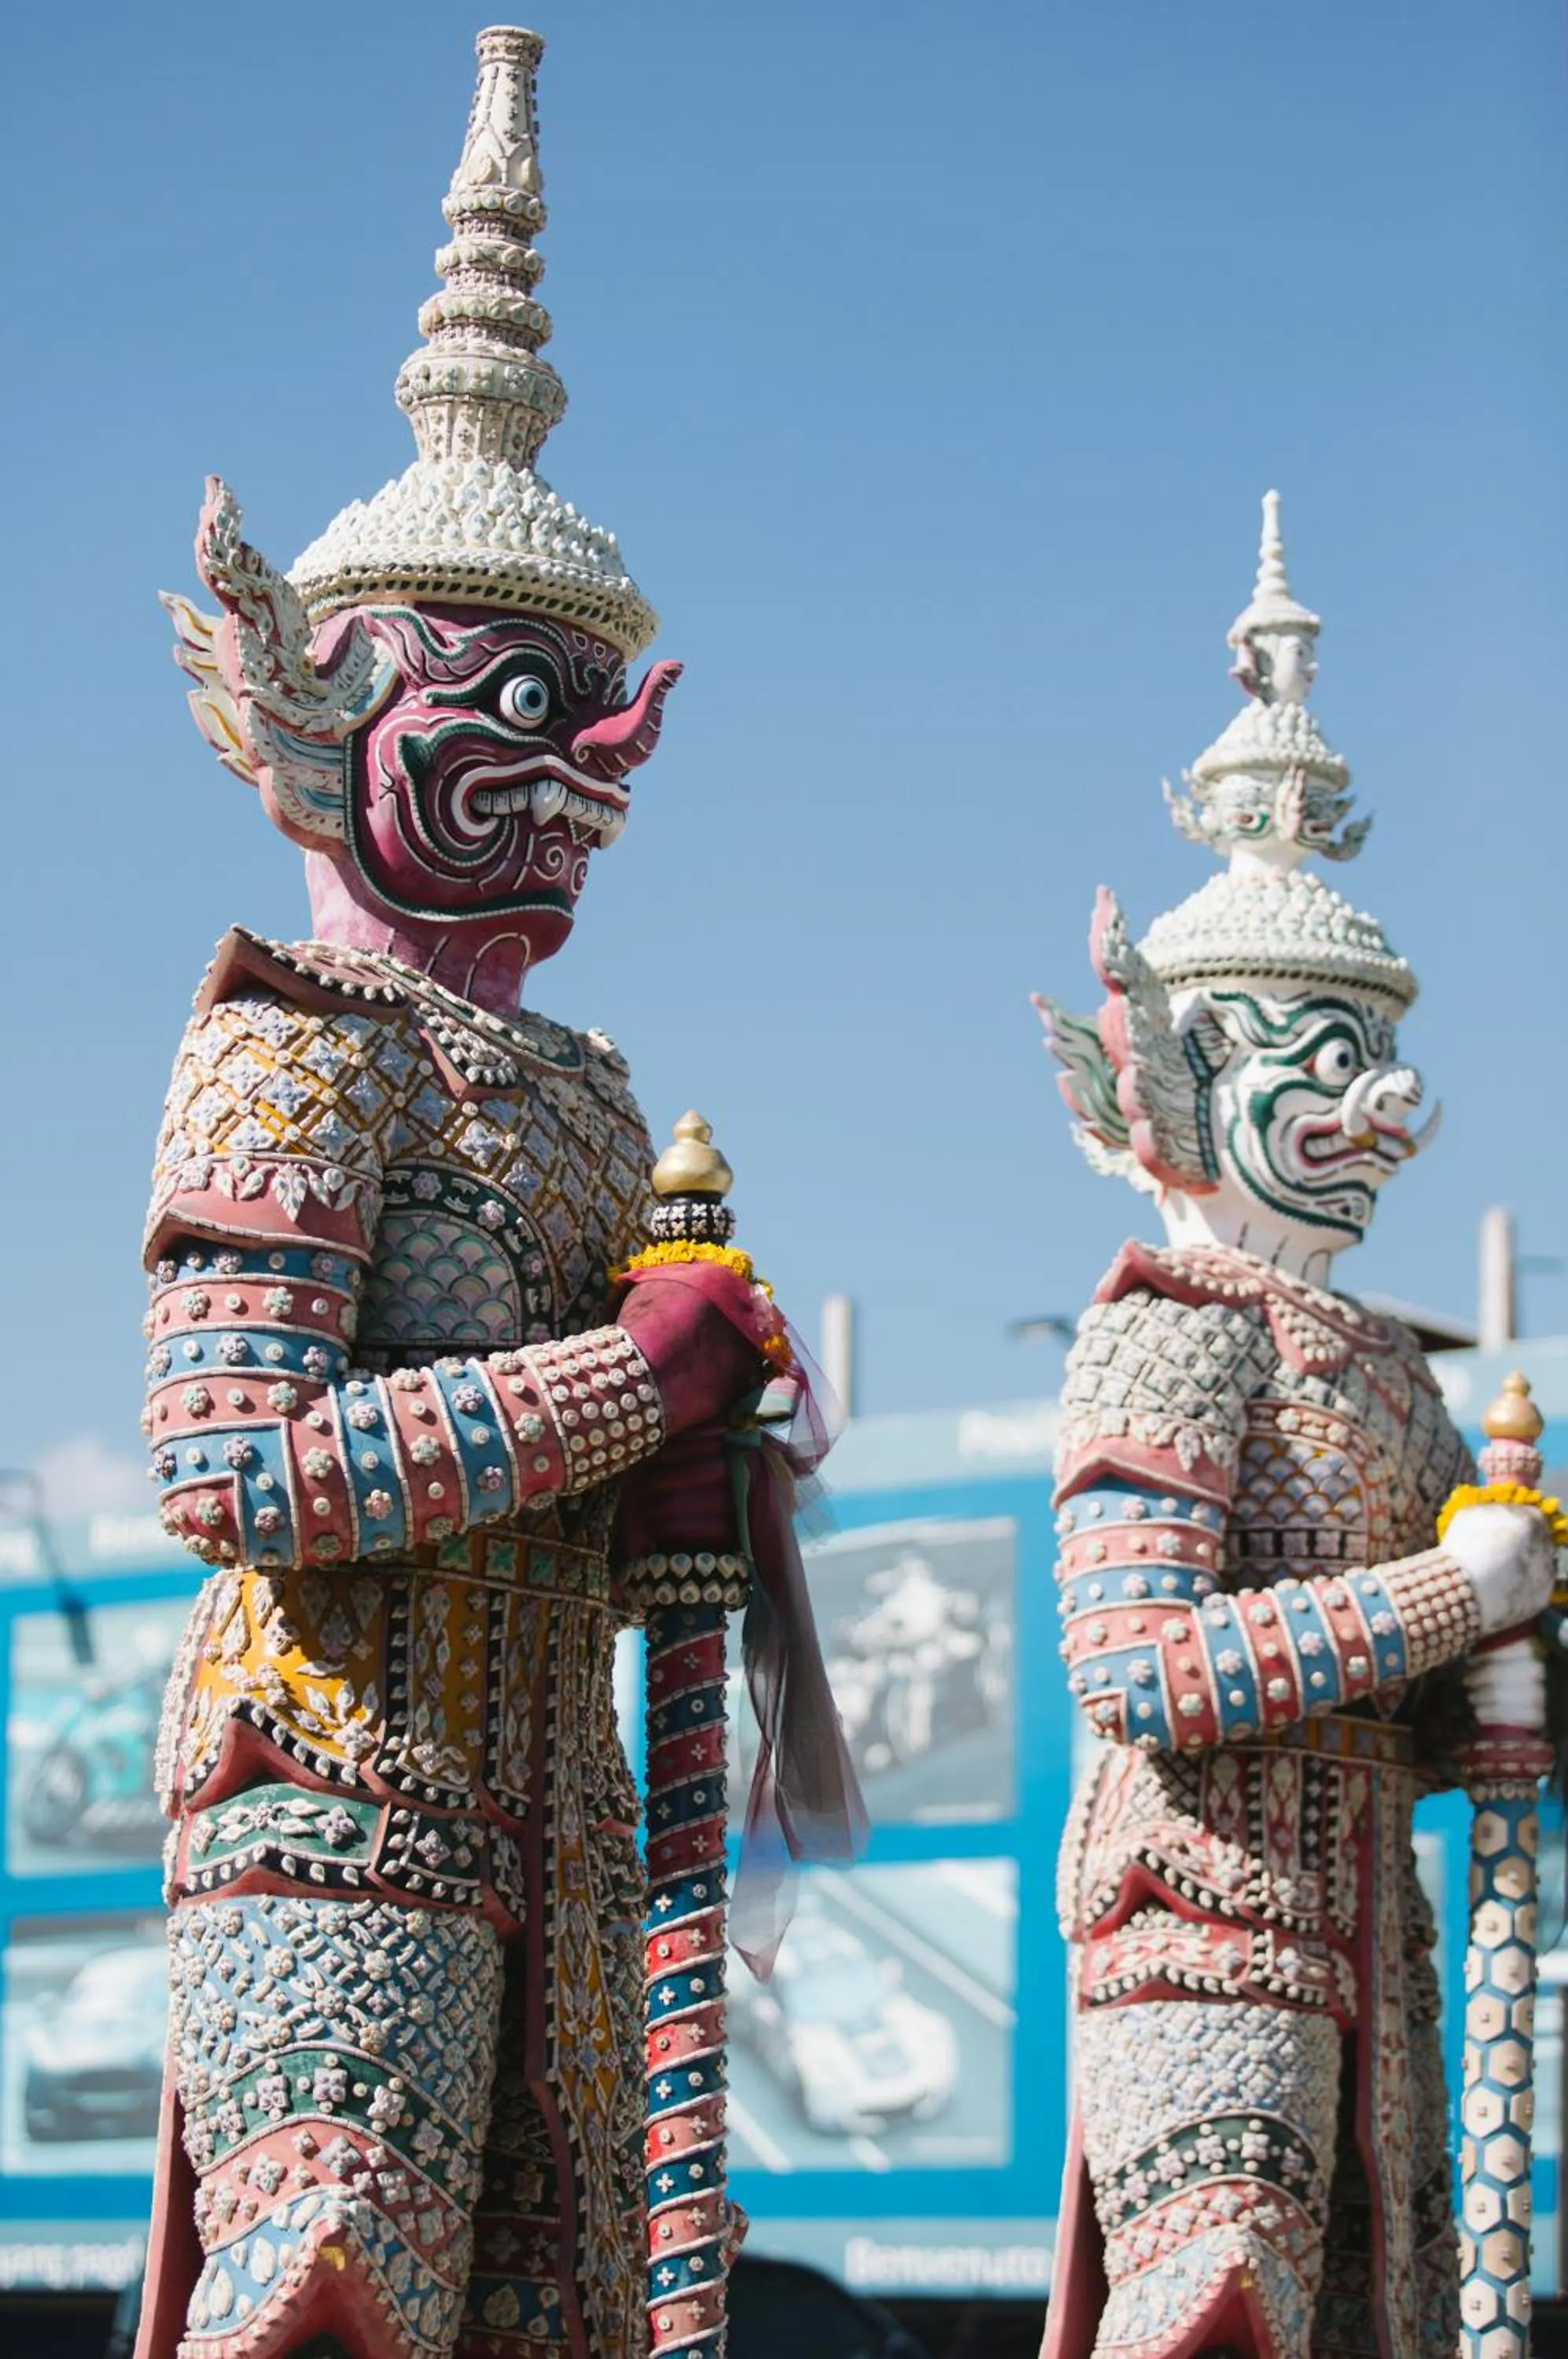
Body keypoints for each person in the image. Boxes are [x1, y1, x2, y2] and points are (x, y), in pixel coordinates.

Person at [135, 30, 782, 2359]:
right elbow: (234, 1471)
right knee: (328, 2305)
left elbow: (637, 1503)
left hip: (564, 1830)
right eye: (511, 706)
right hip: (327, 1789)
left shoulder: (601, 1108)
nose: (588, 762)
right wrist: (637, 1376)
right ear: (329, 706)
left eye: (596, 707)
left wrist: (715, 1457)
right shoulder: (291, 1040)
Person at [1032, 494, 1559, 2359]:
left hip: (1365, 1931)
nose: (1377, 1108)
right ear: (1181, 1079)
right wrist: (1447, 1599)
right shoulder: (1167, 1333)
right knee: (1214, 2311)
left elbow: (1436, 1714)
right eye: (1317, 1066)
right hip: (1197, 1918)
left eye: (1378, 1061)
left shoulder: (1393, 1375)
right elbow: (1139, 1673)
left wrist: (1514, 1670)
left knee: (1365, 2318)